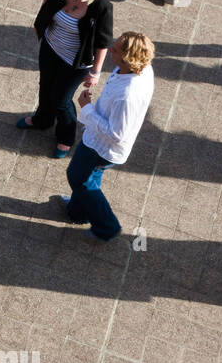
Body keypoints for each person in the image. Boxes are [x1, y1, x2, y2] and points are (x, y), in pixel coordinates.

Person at [53, 31, 154, 242]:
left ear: (128, 58)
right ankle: (77, 212)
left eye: (115, 50)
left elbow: (117, 134)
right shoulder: (139, 69)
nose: (110, 50)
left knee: (78, 178)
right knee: (89, 177)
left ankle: (107, 227)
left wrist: (87, 109)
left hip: (102, 147)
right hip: (99, 142)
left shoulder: (128, 95)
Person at [17, 0, 113, 158]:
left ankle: (66, 137)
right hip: (51, 48)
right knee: (45, 85)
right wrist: (39, 25)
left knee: (61, 100)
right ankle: (42, 120)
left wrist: (95, 72)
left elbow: (103, 43)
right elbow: (47, 2)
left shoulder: (101, 5)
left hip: (76, 62)